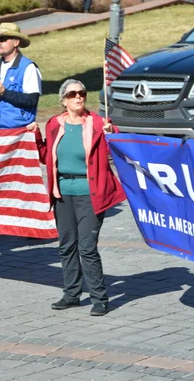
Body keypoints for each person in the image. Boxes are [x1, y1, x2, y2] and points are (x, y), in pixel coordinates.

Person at [27, 79, 126, 316]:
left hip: (91, 194)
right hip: (62, 193)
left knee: (87, 247)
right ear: (63, 100)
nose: (78, 97)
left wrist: (113, 133)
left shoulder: (98, 124)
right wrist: (36, 135)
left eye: (82, 93)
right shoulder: (54, 123)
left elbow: (118, 150)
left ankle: (99, 298)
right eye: (72, 94)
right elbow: (45, 157)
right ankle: (71, 294)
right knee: (66, 246)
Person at [0, 23, 42, 129]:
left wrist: (4, 92)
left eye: (3, 39)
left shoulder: (28, 67)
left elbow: (31, 100)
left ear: (16, 42)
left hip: (19, 130)